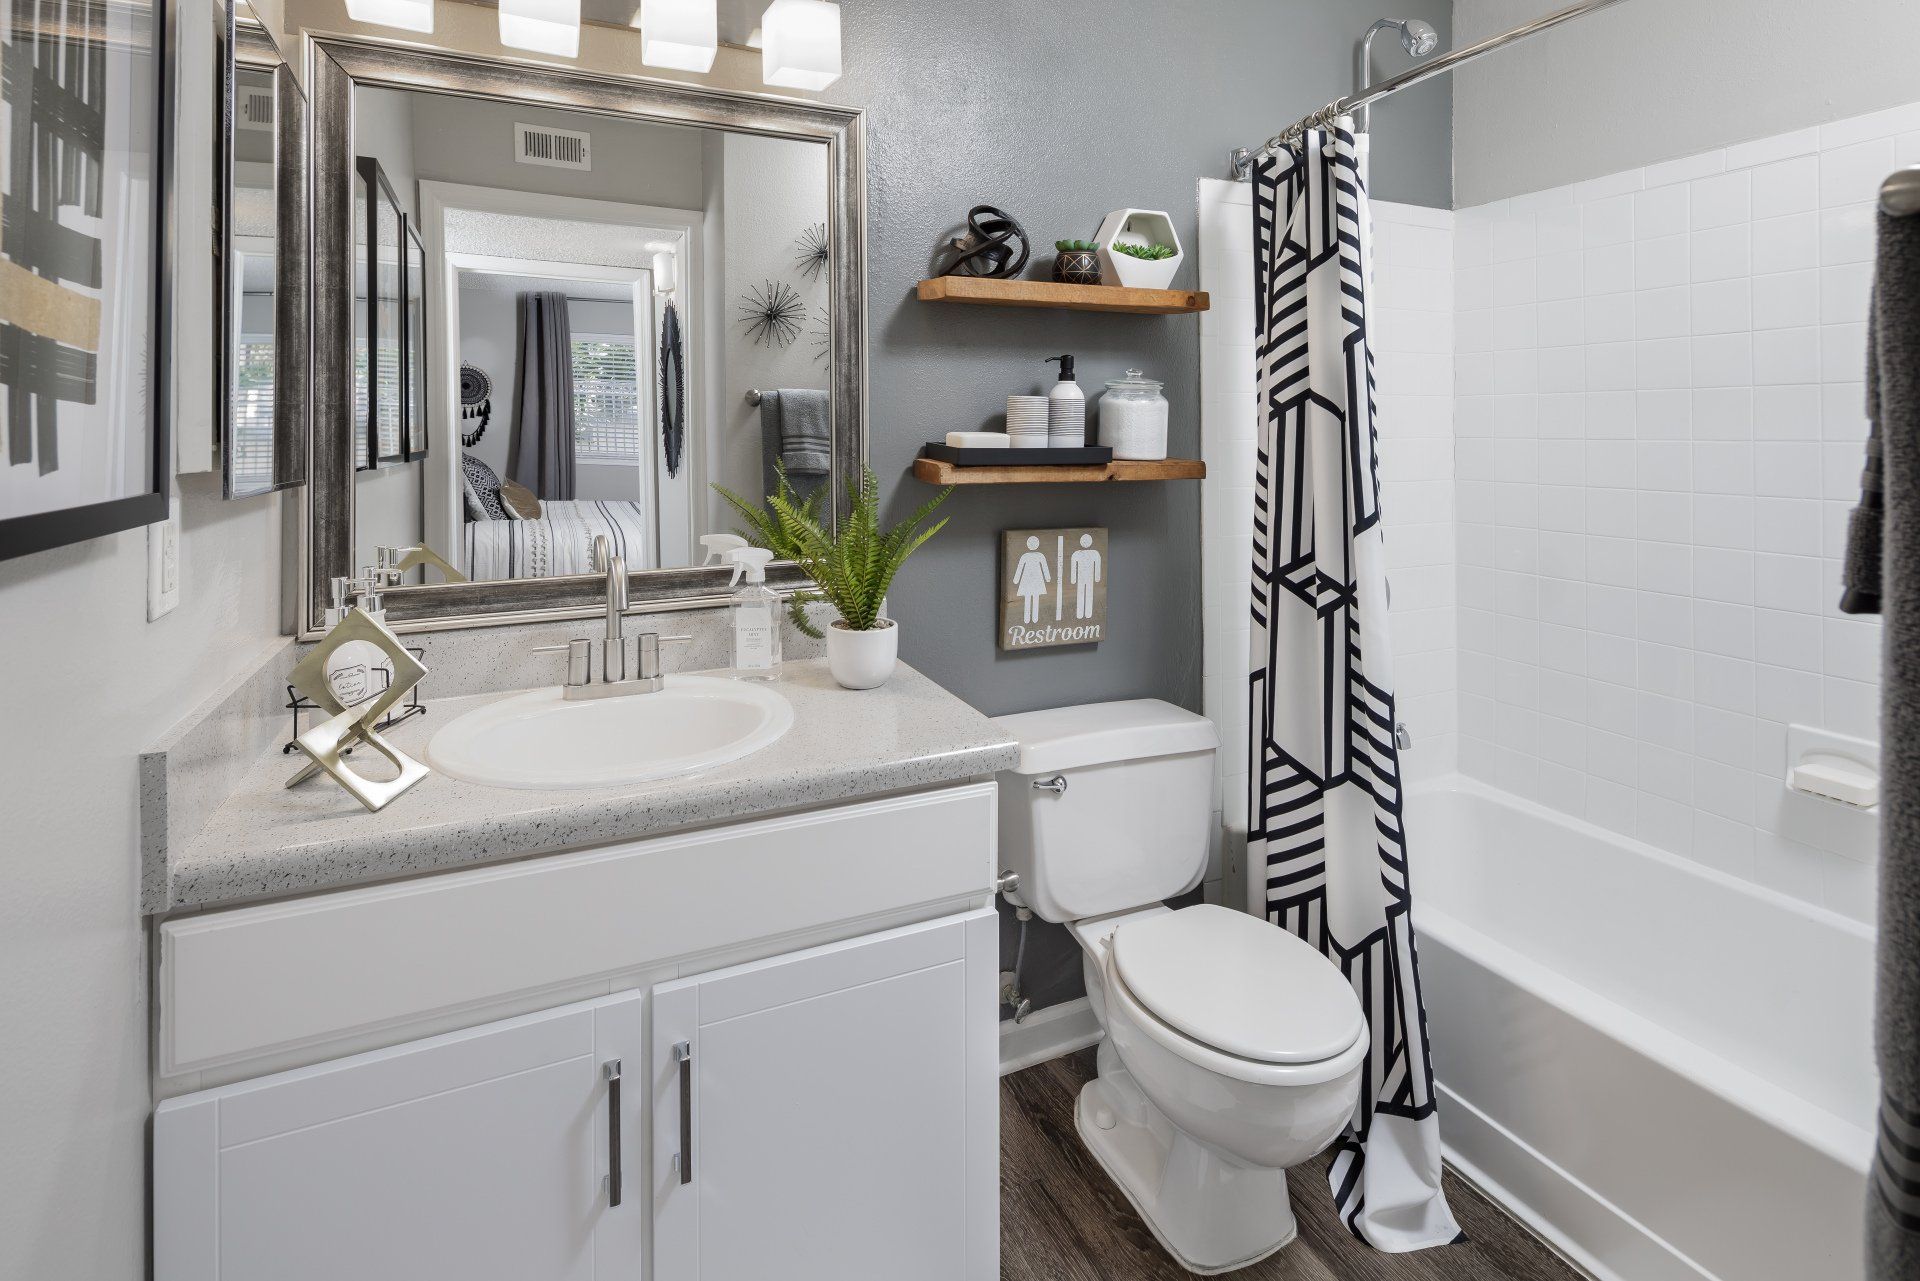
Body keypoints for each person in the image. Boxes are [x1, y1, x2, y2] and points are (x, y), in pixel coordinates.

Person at [1011, 535, 1052, 625]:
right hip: (1029, 580)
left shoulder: (1037, 556)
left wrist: (1016, 580)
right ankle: (1029, 618)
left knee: (1033, 598)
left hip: (1035, 580)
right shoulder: (1028, 556)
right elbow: (1020, 568)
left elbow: (1044, 567)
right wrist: (1016, 579)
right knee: (1029, 598)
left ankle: (1033, 619)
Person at [1069, 533, 1102, 620]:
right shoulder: (1076, 554)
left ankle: (1088, 613)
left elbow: (1097, 565)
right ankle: (1079, 613)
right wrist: (1073, 579)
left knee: (1089, 594)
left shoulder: (1095, 553)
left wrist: (1097, 577)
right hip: (1081, 578)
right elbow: (1073, 567)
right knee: (1080, 594)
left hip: (1089, 578)